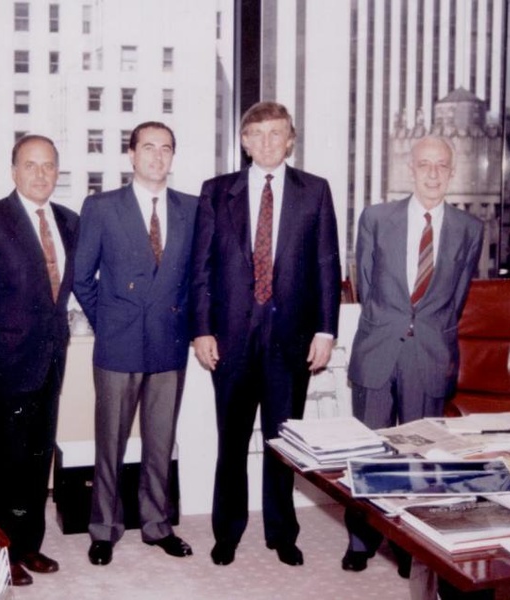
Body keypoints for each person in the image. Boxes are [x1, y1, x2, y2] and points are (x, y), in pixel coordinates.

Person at [190, 101, 341, 567]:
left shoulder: (314, 191)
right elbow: (201, 268)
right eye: (259, 134)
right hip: (231, 341)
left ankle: (282, 533)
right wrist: (201, 331)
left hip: (290, 342)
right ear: (245, 141)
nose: (269, 142)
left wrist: (326, 331)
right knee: (231, 442)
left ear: (290, 139)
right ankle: (227, 532)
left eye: (278, 134)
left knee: (283, 445)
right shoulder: (216, 192)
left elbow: (326, 264)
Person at [342, 135, 483, 590]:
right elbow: (363, 283)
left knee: (420, 458)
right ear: (411, 168)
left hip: (430, 352)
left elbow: (457, 298)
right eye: (425, 164)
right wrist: (394, 322)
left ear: (453, 170)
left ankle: (410, 547)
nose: (433, 173)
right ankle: (361, 541)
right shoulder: (376, 218)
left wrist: (427, 328)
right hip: (379, 348)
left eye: (442, 165)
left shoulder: (469, 228)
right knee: (369, 453)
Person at [0, 135, 78, 587]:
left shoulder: (69, 221)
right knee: (3, 462)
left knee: (36, 460)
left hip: (51, 361)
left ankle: (27, 544)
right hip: (6, 360)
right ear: (13, 170)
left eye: (48, 166)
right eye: (31, 164)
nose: (40, 174)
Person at [73, 122, 198, 566]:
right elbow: (81, 277)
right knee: (111, 442)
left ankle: (157, 525)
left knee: (160, 442)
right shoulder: (102, 207)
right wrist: (108, 323)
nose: (157, 156)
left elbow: (196, 281)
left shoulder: (192, 209)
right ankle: (104, 529)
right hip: (117, 345)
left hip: (169, 344)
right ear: (131, 154)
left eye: (166, 148)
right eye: (149, 147)